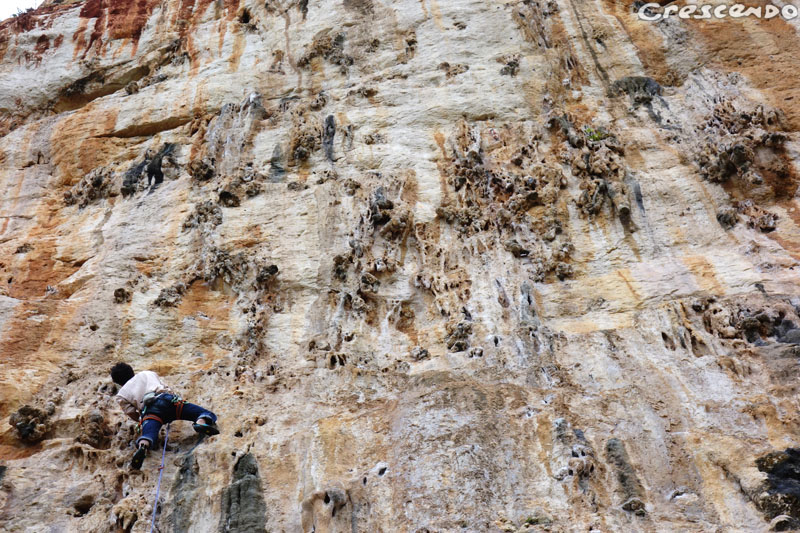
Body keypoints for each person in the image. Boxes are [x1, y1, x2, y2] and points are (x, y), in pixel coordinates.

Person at [110, 362, 219, 470]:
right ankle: (200, 422)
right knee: (201, 413)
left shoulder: (121, 395)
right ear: (131, 371)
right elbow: (164, 386)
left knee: (149, 433)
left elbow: (131, 412)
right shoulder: (147, 373)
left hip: (150, 412)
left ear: (118, 382)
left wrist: (142, 420)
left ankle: (144, 444)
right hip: (167, 400)